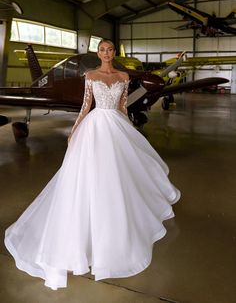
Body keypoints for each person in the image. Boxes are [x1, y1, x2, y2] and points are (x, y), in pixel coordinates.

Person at [4, 39, 180, 290]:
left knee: (117, 175)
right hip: (94, 126)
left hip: (116, 126)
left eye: (109, 50)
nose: (106, 53)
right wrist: (74, 132)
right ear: (98, 53)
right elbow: (86, 106)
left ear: (112, 53)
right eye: (102, 50)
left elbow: (121, 107)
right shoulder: (90, 75)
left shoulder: (123, 76)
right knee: (88, 175)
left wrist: (129, 133)